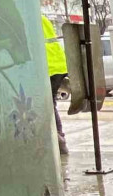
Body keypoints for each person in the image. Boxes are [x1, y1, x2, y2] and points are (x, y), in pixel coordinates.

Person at [42, 15, 69, 155]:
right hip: (58, 66)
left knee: (48, 104)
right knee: (50, 103)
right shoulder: (43, 18)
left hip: (49, 67)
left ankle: (59, 138)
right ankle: (59, 137)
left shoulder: (31, 20)